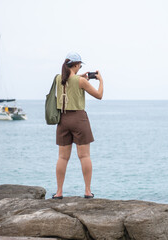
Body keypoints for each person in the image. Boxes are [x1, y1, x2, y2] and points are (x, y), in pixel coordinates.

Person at [52, 52, 103, 199]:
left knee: (62, 158)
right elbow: (99, 95)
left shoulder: (57, 78)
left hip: (62, 119)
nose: (80, 67)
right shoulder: (81, 82)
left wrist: (81, 76)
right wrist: (100, 80)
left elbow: (70, 79)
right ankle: (87, 191)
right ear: (75, 64)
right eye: (79, 65)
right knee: (84, 156)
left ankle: (59, 192)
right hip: (79, 119)